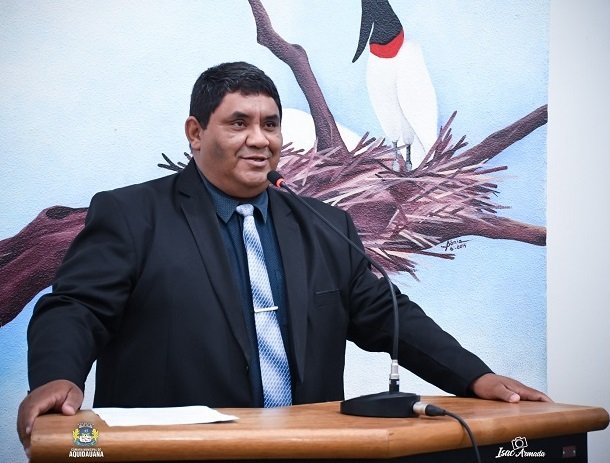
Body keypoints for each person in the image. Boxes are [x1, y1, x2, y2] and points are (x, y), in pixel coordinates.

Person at [17, 61, 550, 455]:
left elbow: (389, 315)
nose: (260, 140)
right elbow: (77, 308)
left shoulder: (324, 225)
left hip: (310, 449)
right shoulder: (132, 215)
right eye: (238, 123)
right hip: (180, 452)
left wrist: (475, 378)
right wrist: (56, 376)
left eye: (270, 124)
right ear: (195, 133)